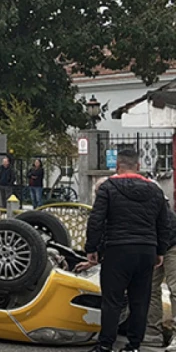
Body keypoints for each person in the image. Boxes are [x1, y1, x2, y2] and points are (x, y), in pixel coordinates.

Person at [84, 149, 170, 352]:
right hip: (146, 250)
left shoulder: (108, 188)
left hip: (117, 249)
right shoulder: (155, 190)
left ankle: (106, 345)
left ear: (117, 167)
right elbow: (163, 224)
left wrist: (92, 248)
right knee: (140, 300)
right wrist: (160, 251)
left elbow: (96, 220)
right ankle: (133, 346)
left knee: (112, 300)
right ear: (138, 167)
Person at [144, 207, 176, 350]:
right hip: (156, 246)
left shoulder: (151, 196)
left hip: (172, 244)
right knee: (150, 288)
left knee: (175, 288)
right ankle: (152, 332)